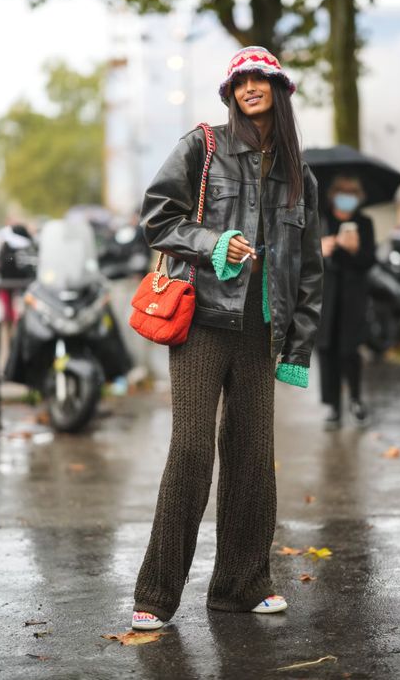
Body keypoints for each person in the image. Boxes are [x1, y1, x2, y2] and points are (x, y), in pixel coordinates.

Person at [131, 46, 323, 631]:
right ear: (231, 93)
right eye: (241, 81)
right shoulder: (203, 146)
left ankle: (241, 585)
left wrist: (296, 348)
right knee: (190, 452)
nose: (251, 87)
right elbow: (159, 218)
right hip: (202, 322)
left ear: (279, 89)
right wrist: (212, 243)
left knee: (251, 460)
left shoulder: (298, 173)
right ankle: (157, 594)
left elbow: (308, 269)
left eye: (262, 78)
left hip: (261, 332)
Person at [317, 174, 376, 430]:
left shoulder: (364, 222)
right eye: (343, 193)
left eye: (353, 195)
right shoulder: (320, 220)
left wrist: (353, 250)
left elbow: (369, 260)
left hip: (353, 294)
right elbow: (304, 257)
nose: (347, 199)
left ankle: (355, 399)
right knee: (326, 348)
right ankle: (333, 406)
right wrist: (321, 248)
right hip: (325, 294)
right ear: (333, 196)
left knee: (349, 349)